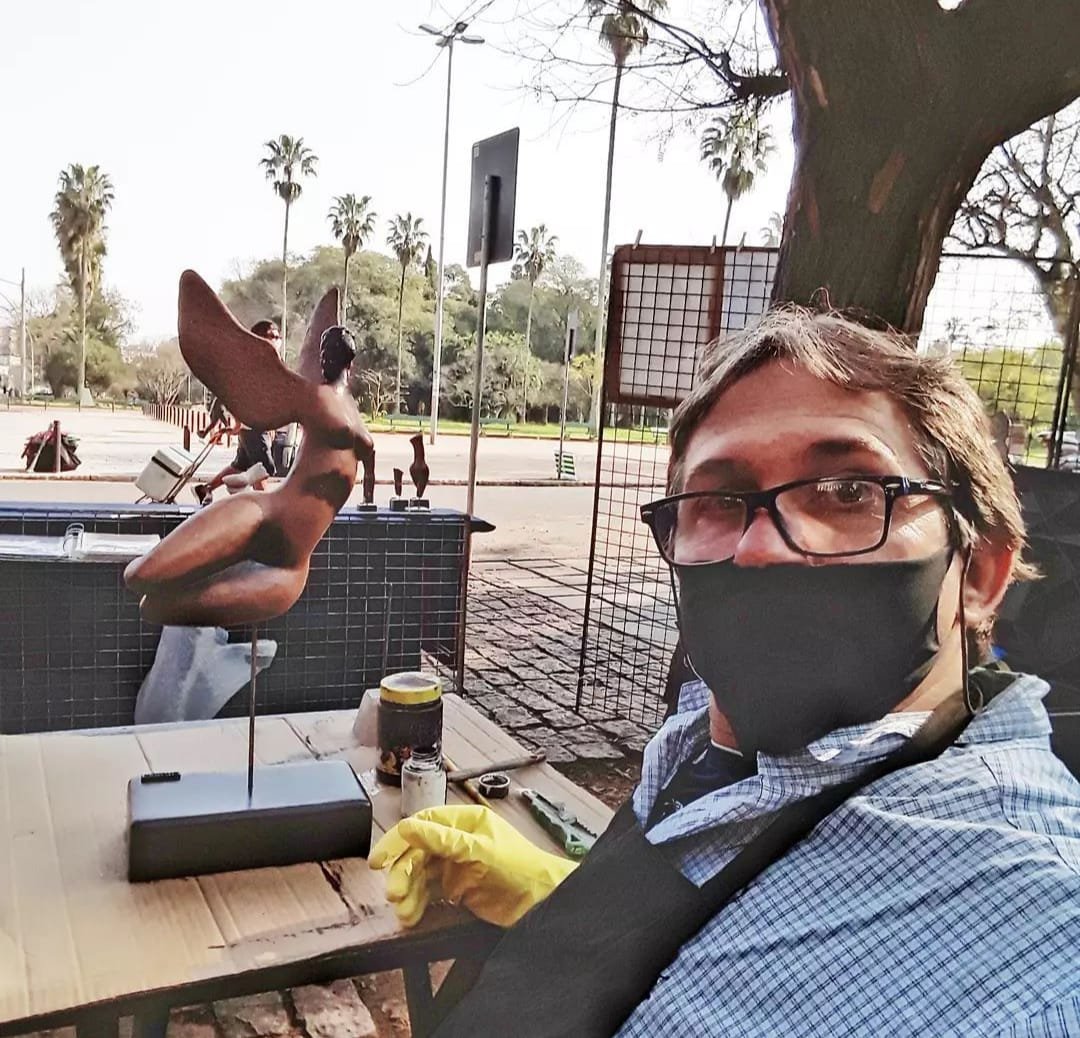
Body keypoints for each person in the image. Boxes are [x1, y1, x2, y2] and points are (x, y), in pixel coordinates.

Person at [369, 307, 1080, 1036]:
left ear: (981, 573)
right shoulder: (703, 742)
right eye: (717, 499)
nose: (760, 549)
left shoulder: (1041, 943)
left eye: (848, 491)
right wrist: (559, 894)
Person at [193, 319, 282, 505]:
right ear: (258, 338)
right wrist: (239, 421)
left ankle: (206, 489)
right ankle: (263, 507)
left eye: (277, 336)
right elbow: (233, 393)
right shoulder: (251, 364)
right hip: (253, 425)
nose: (277, 340)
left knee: (241, 465)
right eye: (272, 336)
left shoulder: (267, 362)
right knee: (263, 468)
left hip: (256, 424)